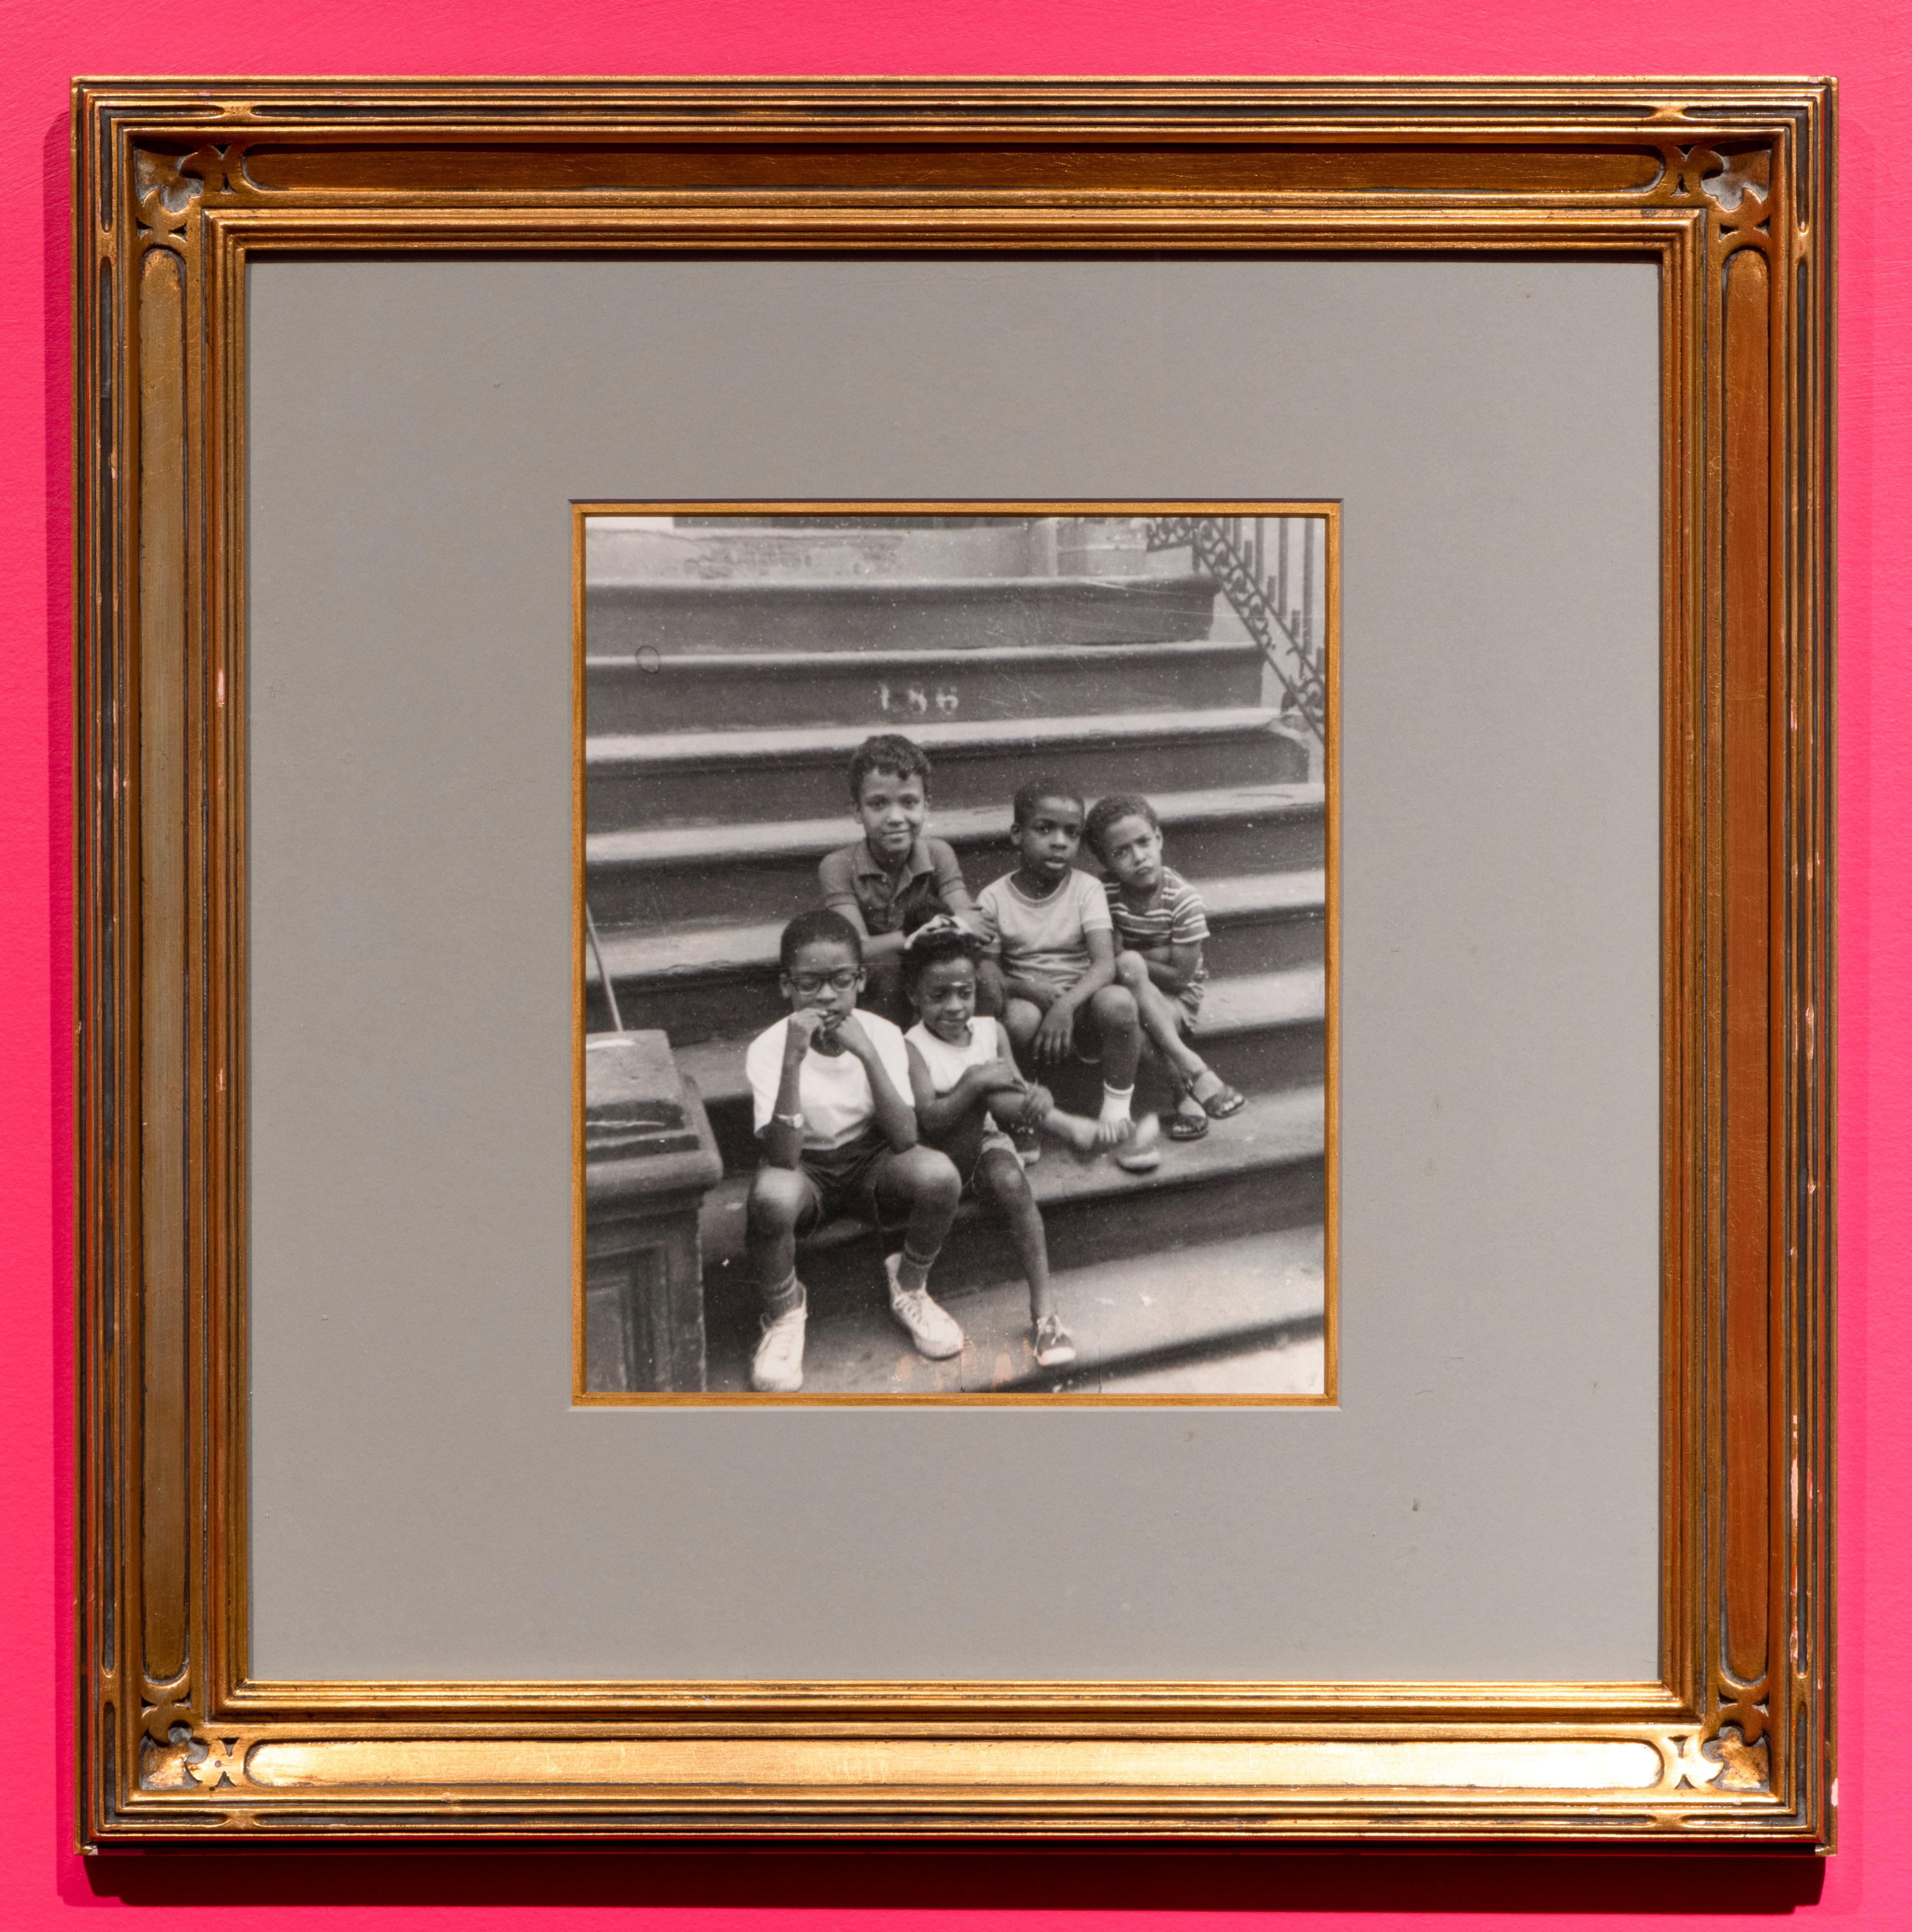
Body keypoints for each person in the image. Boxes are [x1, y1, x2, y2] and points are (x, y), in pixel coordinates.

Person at [742, 909, 965, 1393]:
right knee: (773, 1196)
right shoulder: (768, 1047)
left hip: (871, 1159)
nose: (826, 995)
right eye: (809, 983)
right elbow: (782, 1156)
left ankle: (910, 1286)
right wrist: (793, 1062)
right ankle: (784, 1313)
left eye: (841, 980)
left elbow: (906, 1137)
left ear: (861, 980)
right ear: (787, 986)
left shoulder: (881, 1033)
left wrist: (865, 1052)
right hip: (807, 1166)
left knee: (940, 1174)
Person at [901, 922, 1089, 1369]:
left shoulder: (991, 1030)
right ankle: (1074, 1130)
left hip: (986, 1143)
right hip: (938, 1154)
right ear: (914, 996)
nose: (954, 1006)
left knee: (1010, 1178)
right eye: (938, 995)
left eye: (964, 993)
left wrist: (1036, 1098)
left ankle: (1045, 1314)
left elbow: (1013, 1097)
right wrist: (973, 1083)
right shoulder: (910, 1045)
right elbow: (929, 1118)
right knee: (984, 1086)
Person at [973, 777, 1160, 1173]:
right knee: (1017, 1018)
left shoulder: (1086, 888)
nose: (1060, 842)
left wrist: (1066, 1004)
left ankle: (1116, 1115)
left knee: (1120, 1002)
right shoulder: (993, 897)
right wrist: (1028, 989)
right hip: (1033, 1010)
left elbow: (1105, 963)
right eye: (1045, 829)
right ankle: (1027, 1115)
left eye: (1072, 833)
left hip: (1083, 1003)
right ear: (1017, 835)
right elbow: (989, 972)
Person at [1082, 792, 1247, 1140]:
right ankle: (1190, 1080)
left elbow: (1180, 977)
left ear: (1159, 838)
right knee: (1129, 1016)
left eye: (1143, 842)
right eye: (1121, 852)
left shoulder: (1183, 900)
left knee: (1128, 965)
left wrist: (1132, 960)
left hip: (1177, 1000)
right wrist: (1146, 958)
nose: (1138, 857)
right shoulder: (1103, 892)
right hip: (1131, 992)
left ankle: (1182, 1085)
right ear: (1106, 861)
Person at [818, 733, 988, 1026]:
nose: (896, 817)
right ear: (858, 811)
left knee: (983, 977)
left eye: (909, 802)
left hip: (932, 970)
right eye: (878, 804)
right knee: (888, 978)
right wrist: (933, 928)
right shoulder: (838, 866)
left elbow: (972, 924)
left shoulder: (937, 853)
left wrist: (949, 927)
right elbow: (857, 950)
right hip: (881, 981)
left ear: (927, 806)